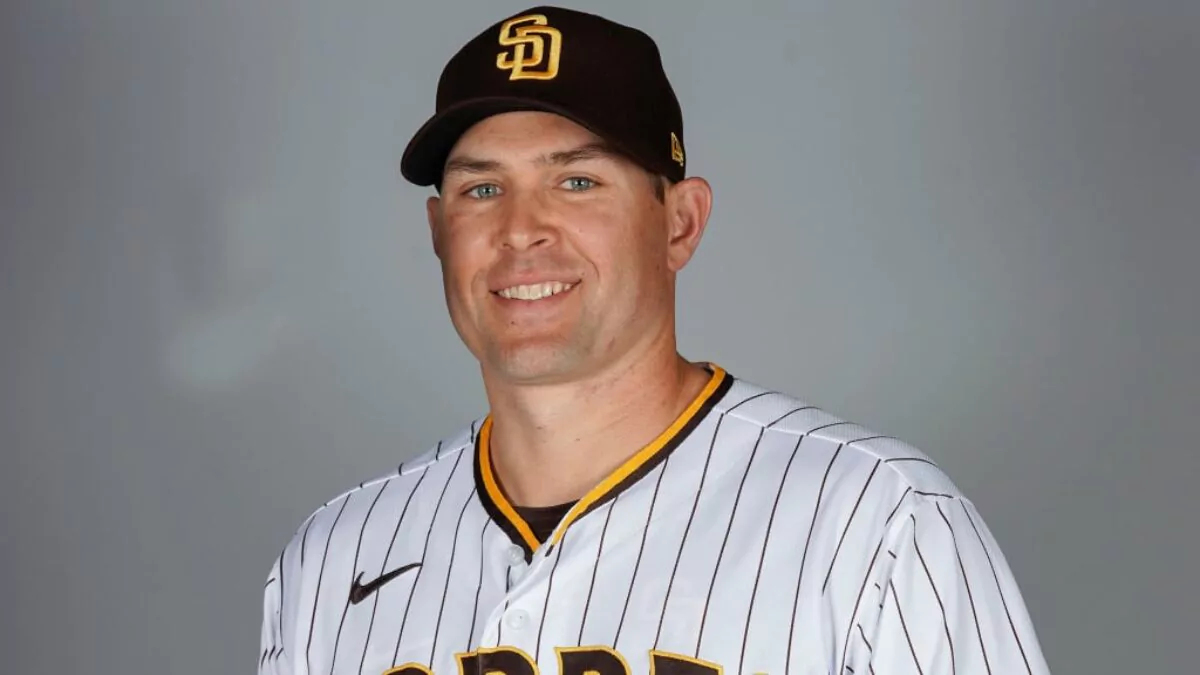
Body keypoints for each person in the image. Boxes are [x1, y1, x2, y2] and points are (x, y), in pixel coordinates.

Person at [258, 6, 1051, 674]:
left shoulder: (877, 523)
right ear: (439, 232)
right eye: (482, 187)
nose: (521, 230)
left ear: (680, 222)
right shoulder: (332, 559)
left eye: (577, 181)